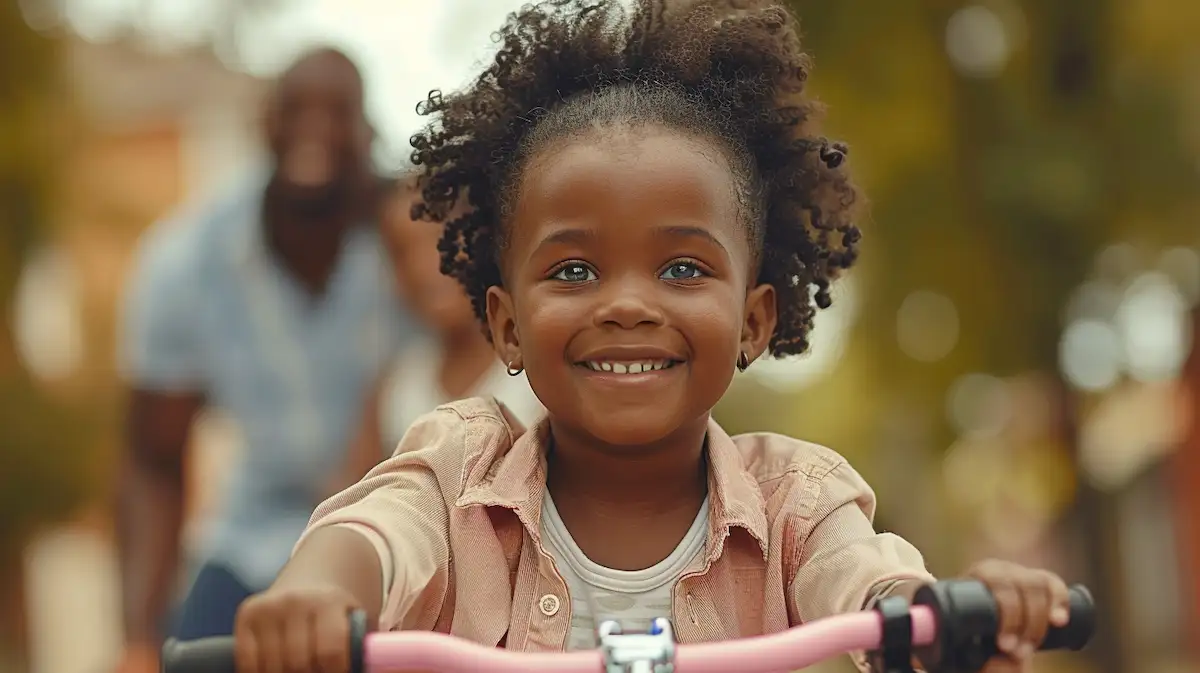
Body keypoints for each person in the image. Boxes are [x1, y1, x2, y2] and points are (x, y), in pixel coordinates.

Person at [232, 2, 1071, 672]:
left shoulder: (796, 504)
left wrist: (948, 624)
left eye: (681, 269)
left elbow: (871, 587)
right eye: (571, 272)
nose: (627, 304)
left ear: (755, 320)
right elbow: (375, 534)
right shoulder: (459, 477)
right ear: (506, 326)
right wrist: (313, 596)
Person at [114, 47, 416, 673]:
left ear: (366, 132)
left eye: (338, 112)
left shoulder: (415, 244)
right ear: (263, 125)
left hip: (404, 535)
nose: (316, 129)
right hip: (251, 541)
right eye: (295, 109)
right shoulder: (186, 264)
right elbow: (153, 458)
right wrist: (139, 638)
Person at [346, 182, 543, 460]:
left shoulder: (538, 372)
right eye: (401, 252)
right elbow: (350, 494)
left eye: (441, 240)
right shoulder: (397, 388)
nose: (422, 267)